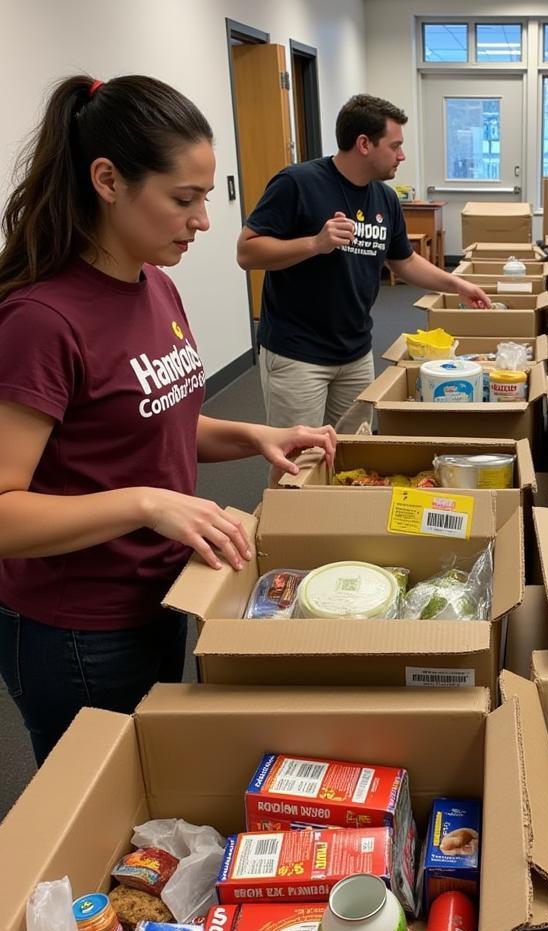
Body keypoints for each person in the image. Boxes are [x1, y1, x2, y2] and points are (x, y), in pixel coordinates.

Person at [0, 75, 337, 765]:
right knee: (94, 804)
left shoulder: (157, 284)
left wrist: (253, 434)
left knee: (152, 773)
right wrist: (147, 504)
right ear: (107, 179)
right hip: (76, 626)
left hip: (165, 587)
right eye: (184, 199)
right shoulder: (41, 321)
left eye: (205, 198)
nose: (204, 221)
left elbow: (153, 422)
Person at [237, 93, 491, 431]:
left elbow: (404, 260)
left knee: (350, 455)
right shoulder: (297, 183)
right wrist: (315, 243)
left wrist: (455, 283)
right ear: (364, 144)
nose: (402, 156)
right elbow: (247, 252)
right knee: (297, 465)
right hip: (298, 353)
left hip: (355, 352)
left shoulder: (383, 197)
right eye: (395, 145)